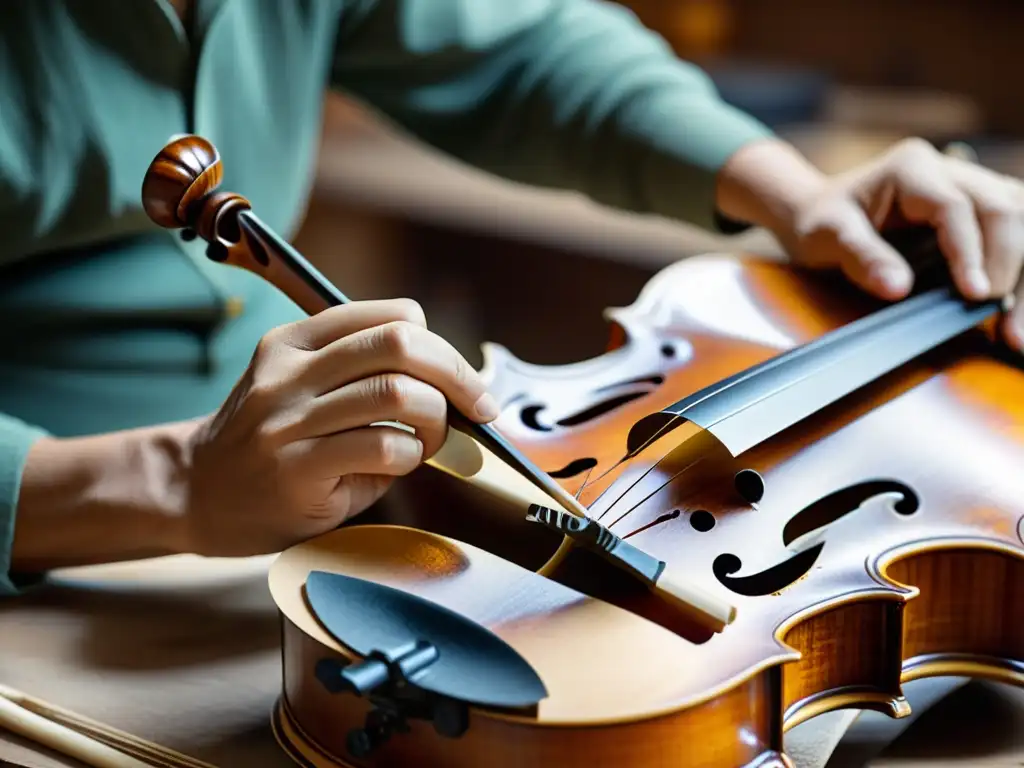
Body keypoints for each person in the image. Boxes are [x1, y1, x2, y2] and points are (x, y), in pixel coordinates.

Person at [4, 0, 1024, 592]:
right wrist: (174, 483)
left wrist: (802, 198)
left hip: (284, 505)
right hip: (58, 550)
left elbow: (513, 45)